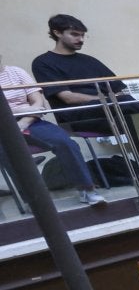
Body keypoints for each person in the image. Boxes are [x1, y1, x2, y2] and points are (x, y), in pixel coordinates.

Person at [31, 14, 139, 187]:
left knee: (135, 118)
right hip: (78, 118)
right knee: (126, 105)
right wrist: (105, 100)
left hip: (111, 114)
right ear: (57, 33)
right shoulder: (43, 62)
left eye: (82, 35)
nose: (81, 39)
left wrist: (111, 100)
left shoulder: (89, 61)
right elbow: (67, 97)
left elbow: (119, 89)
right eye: (74, 34)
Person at [1, 55, 107, 205]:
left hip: (31, 121)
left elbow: (38, 103)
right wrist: (21, 109)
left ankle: (87, 190)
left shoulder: (16, 72)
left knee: (65, 142)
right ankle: (33, 200)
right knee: (7, 153)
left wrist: (24, 121)